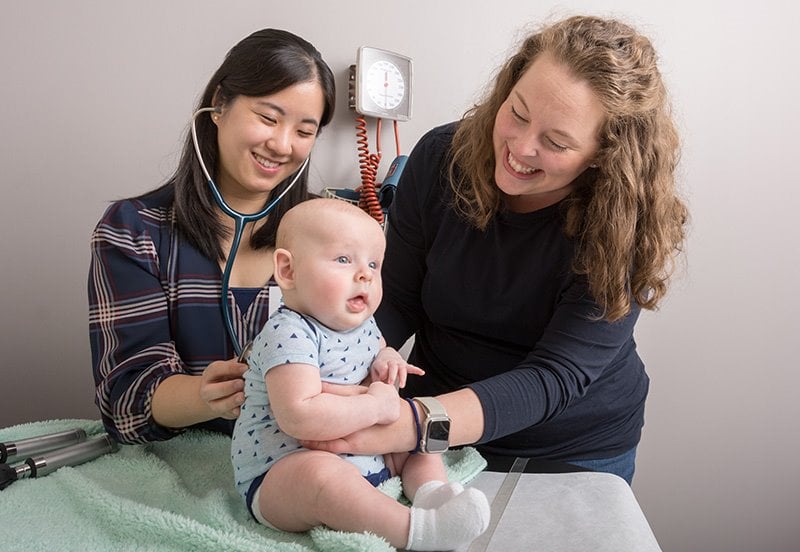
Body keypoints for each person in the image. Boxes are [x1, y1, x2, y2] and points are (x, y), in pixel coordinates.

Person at [303, 15, 689, 485]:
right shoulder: (442, 157)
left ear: (605, 155)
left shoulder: (623, 221)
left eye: (556, 142)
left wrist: (416, 425)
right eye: (519, 113)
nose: (520, 148)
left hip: (570, 447)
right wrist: (326, 363)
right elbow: (397, 297)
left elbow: (553, 378)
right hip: (430, 417)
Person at [88, 29, 336, 444]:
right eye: (268, 118)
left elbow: (356, 356)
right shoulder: (133, 231)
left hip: (304, 460)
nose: (281, 144)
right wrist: (206, 396)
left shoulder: (331, 233)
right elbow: (125, 403)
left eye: (304, 131)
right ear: (219, 105)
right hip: (185, 464)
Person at [231, 198, 489, 551]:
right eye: (343, 259)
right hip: (281, 471)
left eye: (373, 264)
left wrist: (386, 358)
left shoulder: (362, 324)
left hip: (367, 456)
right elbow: (300, 417)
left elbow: (377, 348)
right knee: (321, 479)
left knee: (418, 441)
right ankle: (420, 532)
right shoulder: (289, 333)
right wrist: (377, 408)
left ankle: (432, 495)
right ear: (288, 271)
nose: (365, 274)